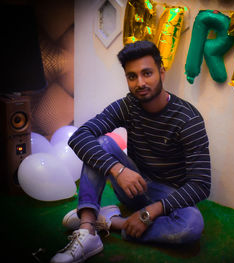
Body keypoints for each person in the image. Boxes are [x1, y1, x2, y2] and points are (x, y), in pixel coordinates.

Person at [50, 40, 211, 263]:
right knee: (101, 143)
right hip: (132, 186)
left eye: (147, 73)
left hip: (168, 197)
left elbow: (201, 185)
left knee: (191, 225)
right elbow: (80, 136)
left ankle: (110, 222)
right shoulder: (128, 105)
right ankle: (87, 231)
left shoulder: (188, 119)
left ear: (162, 73)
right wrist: (117, 169)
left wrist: (149, 213)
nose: (140, 83)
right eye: (132, 76)